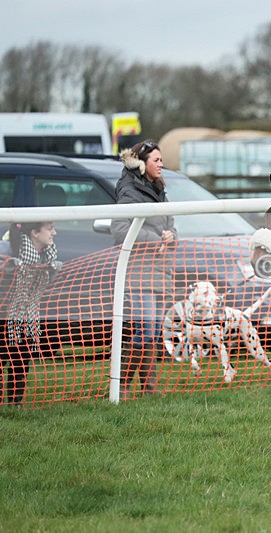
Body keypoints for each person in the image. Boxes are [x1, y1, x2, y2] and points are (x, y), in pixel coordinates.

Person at [111, 140, 177, 398]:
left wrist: (172, 236)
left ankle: (149, 388)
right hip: (139, 271)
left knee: (152, 329)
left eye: (162, 160)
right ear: (142, 164)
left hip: (160, 270)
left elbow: (171, 224)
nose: (161, 165)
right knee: (146, 327)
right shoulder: (129, 191)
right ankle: (123, 385)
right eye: (156, 160)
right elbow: (119, 229)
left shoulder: (160, 190)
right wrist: (156, 238)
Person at [1, 221, 60, 405]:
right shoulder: (8, 248)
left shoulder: (49, 253)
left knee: (21, 358)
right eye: (50, 229)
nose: (54, 233)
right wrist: (7, 266)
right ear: (35, 232)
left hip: (27, 315)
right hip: (4, 314)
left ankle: (15, 403)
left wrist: (53, 271)